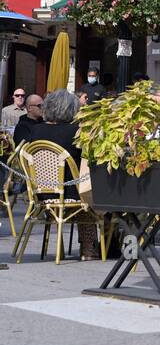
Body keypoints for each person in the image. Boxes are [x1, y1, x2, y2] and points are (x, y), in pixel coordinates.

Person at [20, 89, 100, 258]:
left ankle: (65, 249)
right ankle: (89, 248)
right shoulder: (76, 131)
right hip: (72, 192)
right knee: (91, 195)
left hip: (42, 192)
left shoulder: (36, 131)